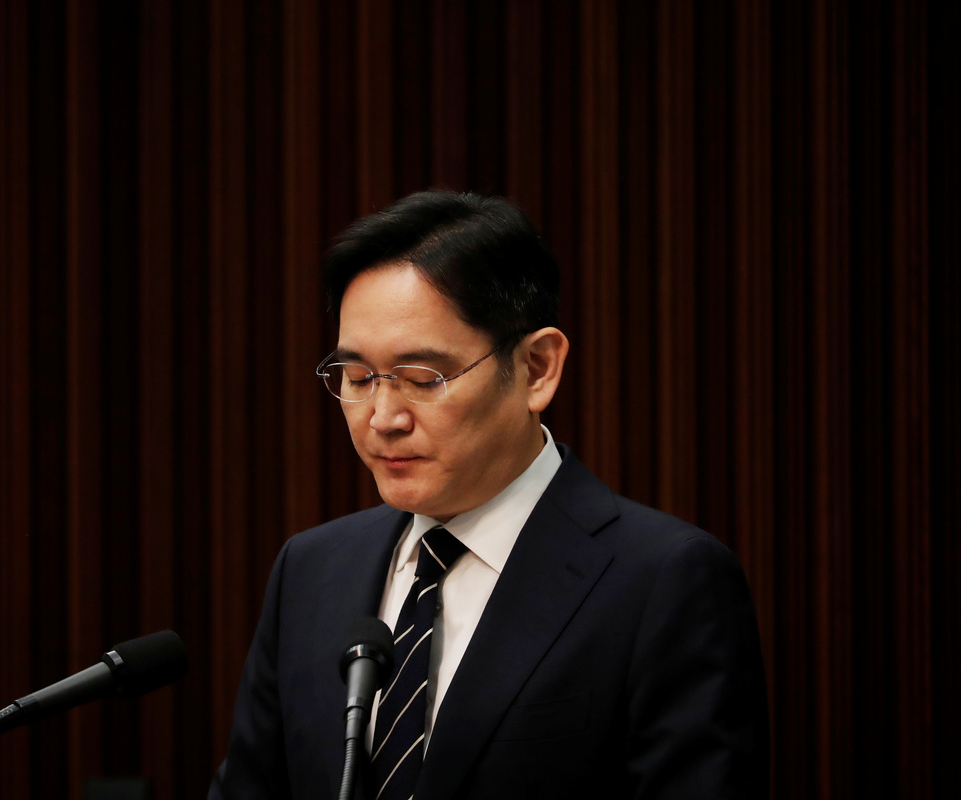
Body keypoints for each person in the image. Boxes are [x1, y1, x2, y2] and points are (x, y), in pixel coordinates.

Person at [208, 190, 770, 800]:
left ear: (536, 368)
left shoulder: (664, 581)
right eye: (359, 377)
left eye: (423, 378)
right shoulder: (311, 570)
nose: (383, 418)